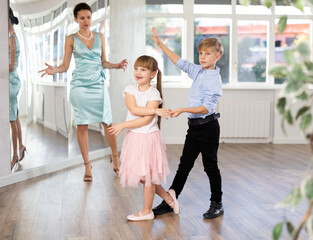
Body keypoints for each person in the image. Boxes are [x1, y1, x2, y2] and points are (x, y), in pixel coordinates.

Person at [39, 2, 127, 181]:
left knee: (107, 123)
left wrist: (115, 66)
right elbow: (64, 66)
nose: (86, 21)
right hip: (80, 87)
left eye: (88, 17)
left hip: (98, 86)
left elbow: (103, 62)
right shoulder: (71, 39)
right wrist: (54, 70)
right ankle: (87, 166)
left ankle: (115, 158)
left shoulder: (100, 36)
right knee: (82, 125)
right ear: (76, 19)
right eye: (82, 18)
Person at [150, 27, 224, 219]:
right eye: (201, 53)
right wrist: (161, 45)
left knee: (210, 167)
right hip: (194, 128)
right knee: (184, 165)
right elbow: (179, 62)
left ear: (218, 56)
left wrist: (183, 109)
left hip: (208, 128)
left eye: (207, 54)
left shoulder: (213, 79)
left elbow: (206, 108)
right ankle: (169, 200)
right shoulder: (199, 70)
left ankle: (217, 204)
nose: (203, 57)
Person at [108, 55, 179, 221]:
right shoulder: (130, 89)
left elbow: (146, 120)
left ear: (153, 74)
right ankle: (168, 197)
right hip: (134, 136)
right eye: (136, 68)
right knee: (141, 175)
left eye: (143, 69)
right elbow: (133, 109)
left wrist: (123, 125)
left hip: (148, 138)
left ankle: (147, 211)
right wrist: (155, 111)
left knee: (147, 176)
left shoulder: (154, 93)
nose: (138, 72)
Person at [9, 7, 27, 170]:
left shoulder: (11, 38)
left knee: (11, 119)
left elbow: (10, 65)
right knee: (15, 116)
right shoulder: (12, 36)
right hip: (13, 80)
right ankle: (21, 146)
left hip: (11, 81)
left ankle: (14, 154)